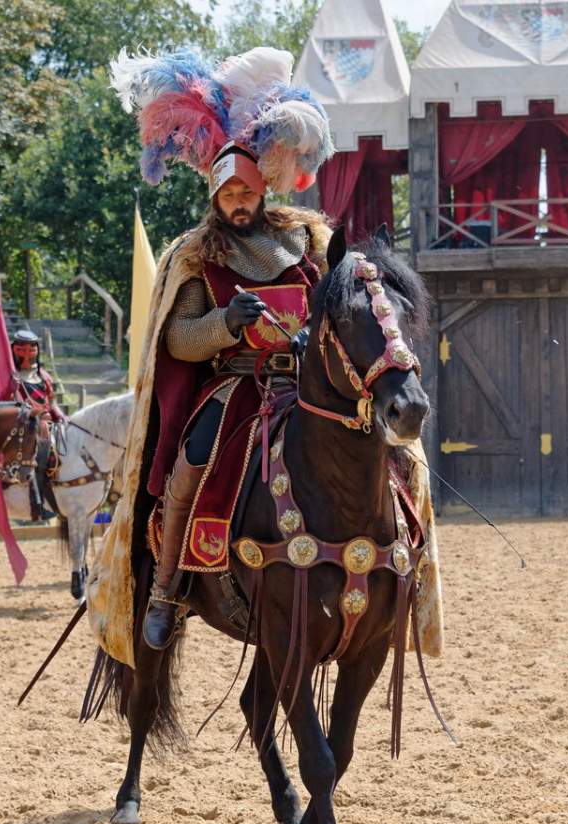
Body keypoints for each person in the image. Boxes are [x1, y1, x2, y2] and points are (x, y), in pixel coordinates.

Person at [86, 47, 334, 664]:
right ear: (216, 198)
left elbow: (337, 307)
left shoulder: (305, 240)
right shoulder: (200, 255)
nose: (238, 203)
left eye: (246, 192)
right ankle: (167, 590)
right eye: (228, 196)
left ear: (262, 188)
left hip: (305, 386)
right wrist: (226, 323)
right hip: (235, 390)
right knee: (192, 465)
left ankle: (391, 564)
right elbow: (178, 340)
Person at [0, 329, 64, 520]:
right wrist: (10, 390)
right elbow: (2, 402)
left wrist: (61, 416)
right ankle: (37, 504)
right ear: (14, 349)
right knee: (41, 450)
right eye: (23, 349)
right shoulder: (10, 376)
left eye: (31, 349)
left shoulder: (43, 376)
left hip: (47, 423)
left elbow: (51, 402)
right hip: (23, 425)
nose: (27, 354)